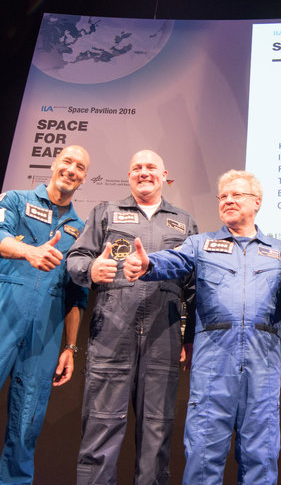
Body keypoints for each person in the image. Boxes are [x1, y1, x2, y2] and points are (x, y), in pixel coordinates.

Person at [123, 170, 281, 484]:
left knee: (261, 456)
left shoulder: (279, 251)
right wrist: (148, 264)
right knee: (203, 455)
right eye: (223, 196)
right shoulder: (200, 244)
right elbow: (173, 261)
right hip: (213, 364)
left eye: (236, 195)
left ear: (257, 202)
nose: (228, 201)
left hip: (262, 364)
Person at [66, 150, 198, 484]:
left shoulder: (184, 222)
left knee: (157, 432)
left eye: (150, 167)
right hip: (111, 333)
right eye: (136, 168)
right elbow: (76, 259)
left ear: (164, 174)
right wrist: (91, 269)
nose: (143, 172)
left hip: (162, 335)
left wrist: (189, 337)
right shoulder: (105, 213)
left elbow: (196, 285)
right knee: (101, 427)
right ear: (128, 176)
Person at [0, 145, 90, 482]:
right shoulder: (14, 200)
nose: (71, 169)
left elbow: (77, 293)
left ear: (84, 177)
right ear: (54, 164)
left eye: (79, 167)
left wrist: (69, 347)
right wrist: (28, 252)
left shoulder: (80, 229)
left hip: (46, 330)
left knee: (27, 422)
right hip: (5, 311)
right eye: (67, 161)